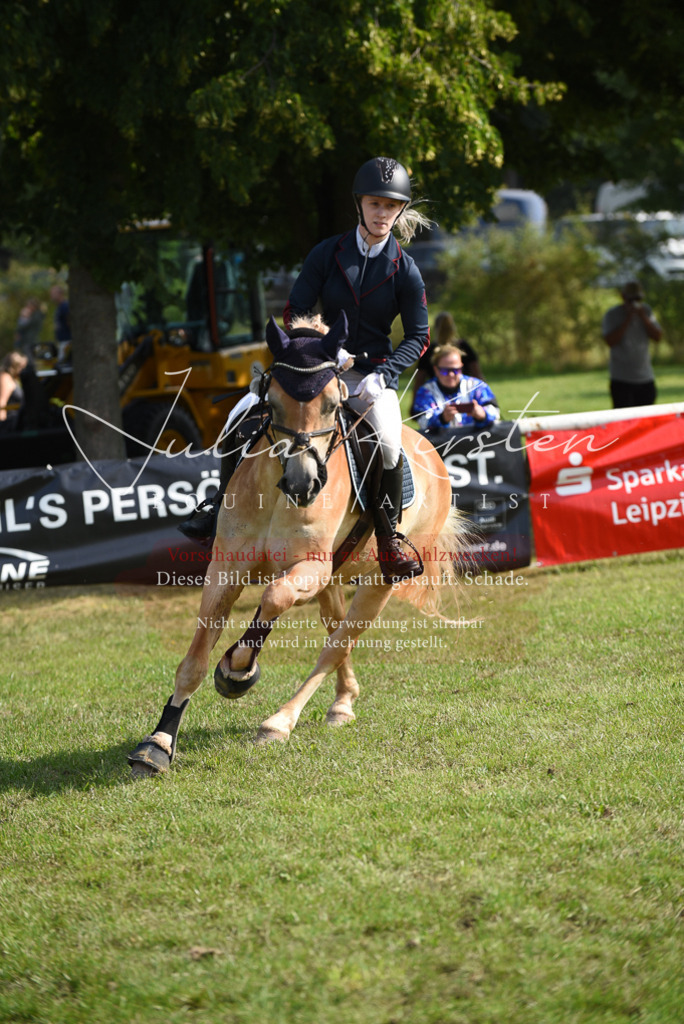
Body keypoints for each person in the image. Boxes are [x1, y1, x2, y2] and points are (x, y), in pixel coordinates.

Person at [179, 156, 431, 583]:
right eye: (375, 204)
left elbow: (419, 337)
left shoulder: (405, 270)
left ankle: (389, 541)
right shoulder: (327, 253)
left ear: (399, 211)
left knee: (388, 442)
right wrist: (319, 344)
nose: (382, 213)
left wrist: (384, 374)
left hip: (367, 373)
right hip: (314, 363)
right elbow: (296, 307)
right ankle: (217, 510)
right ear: (360, 205)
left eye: (390, 206)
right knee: (239, 414)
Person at [602, 280, 663, 408]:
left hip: (645, 377)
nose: (635, 302)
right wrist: (628, 319)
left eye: (638, 299)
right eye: (631, 299)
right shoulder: (612, 314)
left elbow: (657, 336)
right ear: (623, 297)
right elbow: (610, 341)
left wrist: (643, 318)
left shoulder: (646, 311)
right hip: (621, 378)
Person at [413, 344, 499, 431]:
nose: (451, 375)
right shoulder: (426, 391)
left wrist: (482, 414)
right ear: (436, 370)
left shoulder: (476, 386)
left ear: (461, 367)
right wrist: (442, 419)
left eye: (455, 370)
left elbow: (496, 412)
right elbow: (422, 421)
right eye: (445, 371)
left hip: (477, 441)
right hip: (441, 443)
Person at [411, 310, 482, 412]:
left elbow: (419, 380)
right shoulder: (464, 347)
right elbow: (477, 373)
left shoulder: (429, 351)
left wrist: (414, 403)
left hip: (444, 398)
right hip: (442, 396)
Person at [0, 351, 29, 430]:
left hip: (16, 421)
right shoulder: (5, 378)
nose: (23, 370)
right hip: (8, 424)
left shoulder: (13, 379)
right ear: (15, 366)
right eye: (22, 367)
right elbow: (2, 403)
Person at [14, 297, 45, 361]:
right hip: (27, 341)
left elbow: (24, 326)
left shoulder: (36, 315)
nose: (27, 307)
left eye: (28, 305)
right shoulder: (33, 315)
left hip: (30, 341)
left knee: (29, 360)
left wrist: (24, 317)